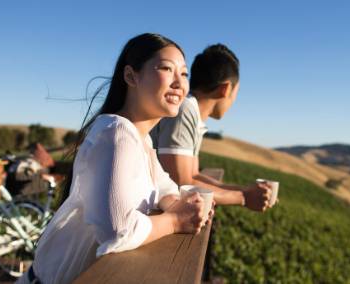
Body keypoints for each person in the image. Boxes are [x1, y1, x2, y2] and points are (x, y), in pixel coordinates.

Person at [19, 33, 211, 284]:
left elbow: (162, 184)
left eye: (184, 74)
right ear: (131, 76)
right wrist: (175, 220)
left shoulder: (141, 139)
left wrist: (178, 203)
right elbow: (118, 231)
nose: (179, 83)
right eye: (166, 68)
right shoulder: (116, 133)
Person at [151, 44, 272, 211]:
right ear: (226, 89)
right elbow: (181, 183)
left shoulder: (192, 113)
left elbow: (193, 175)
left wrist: (244, 189)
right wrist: (244, 197)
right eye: (235, 94)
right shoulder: (184, 109)